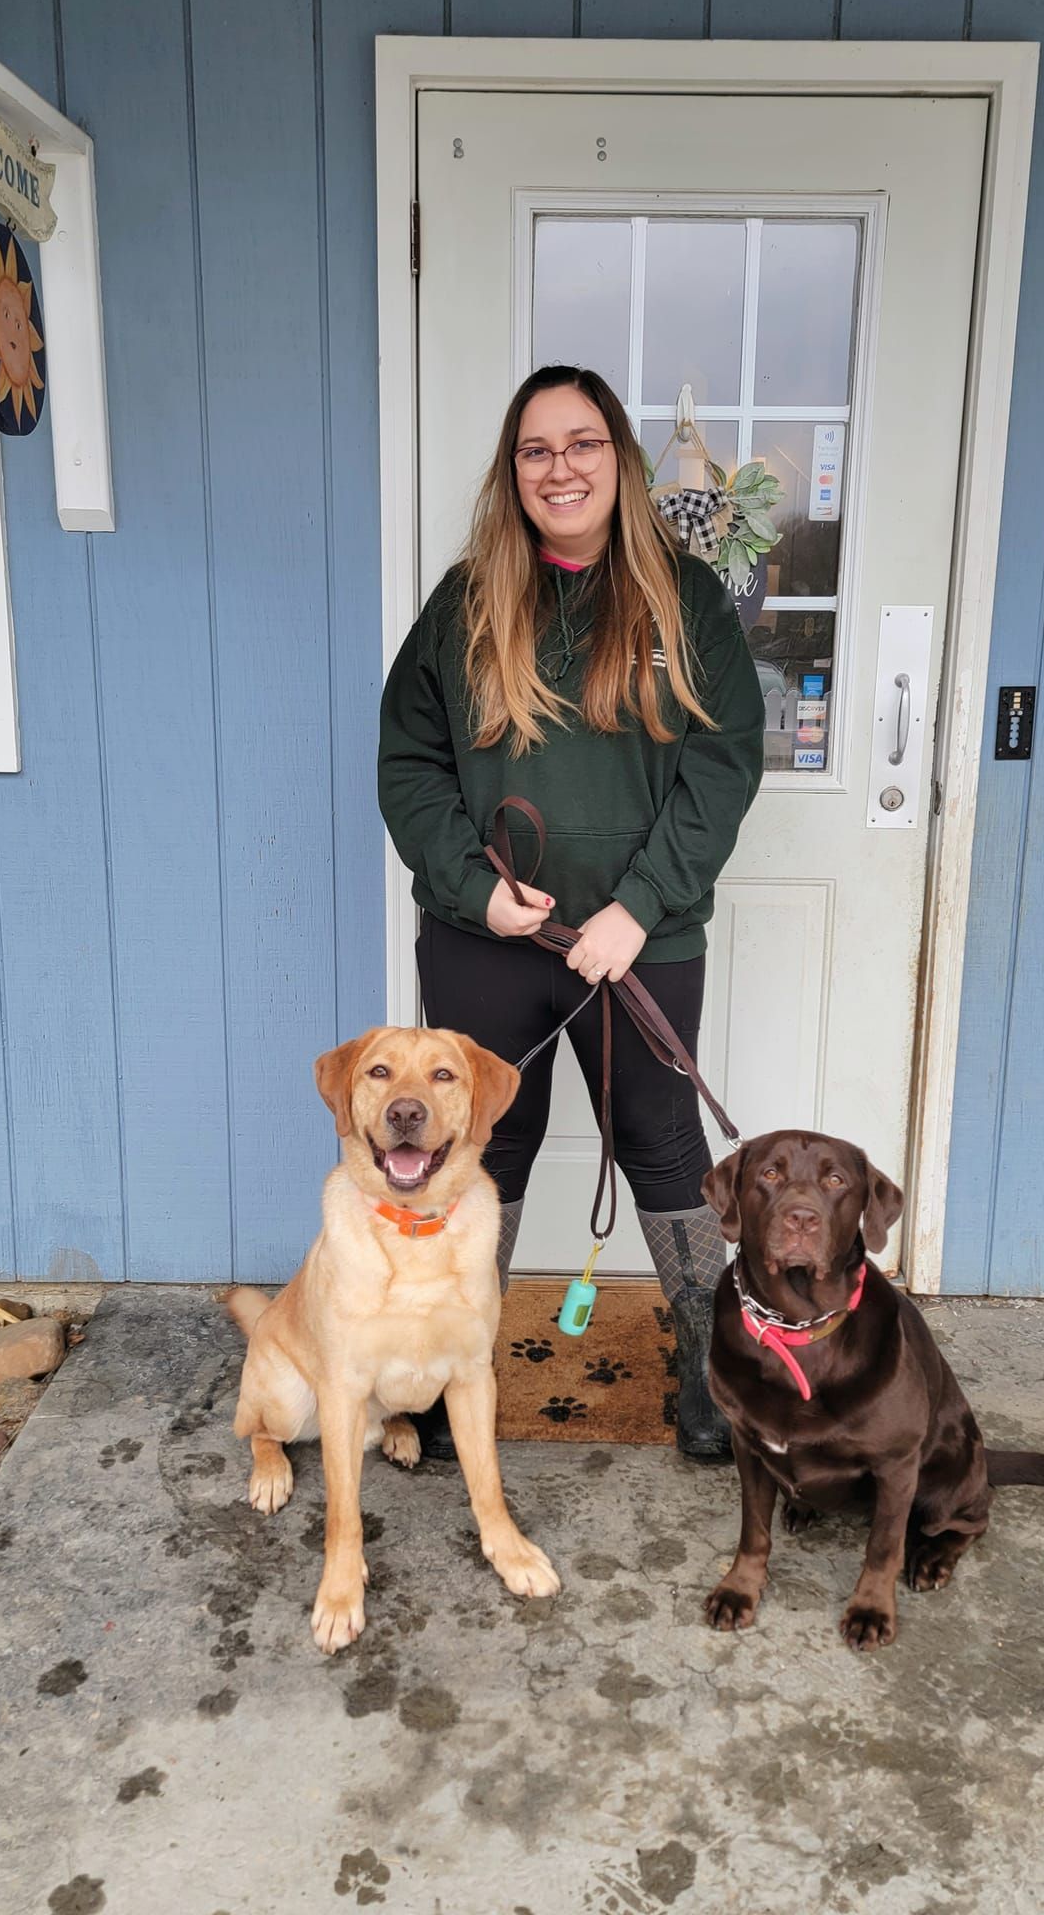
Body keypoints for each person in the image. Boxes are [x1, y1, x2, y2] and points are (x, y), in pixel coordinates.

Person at [378, 365, 764, 1461]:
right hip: (486, 939)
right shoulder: (463, 603)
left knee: (657, 1141)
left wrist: (638, 907)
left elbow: (723, 765)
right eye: (536, 448)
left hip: (638, 943)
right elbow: (408, 765)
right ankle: (452, 1372)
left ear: (619, 460)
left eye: (581, 443)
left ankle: (706, 1371)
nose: (560, 467)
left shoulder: (683, 601)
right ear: (513, 470)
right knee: (479, 1150)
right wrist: (474, 891)